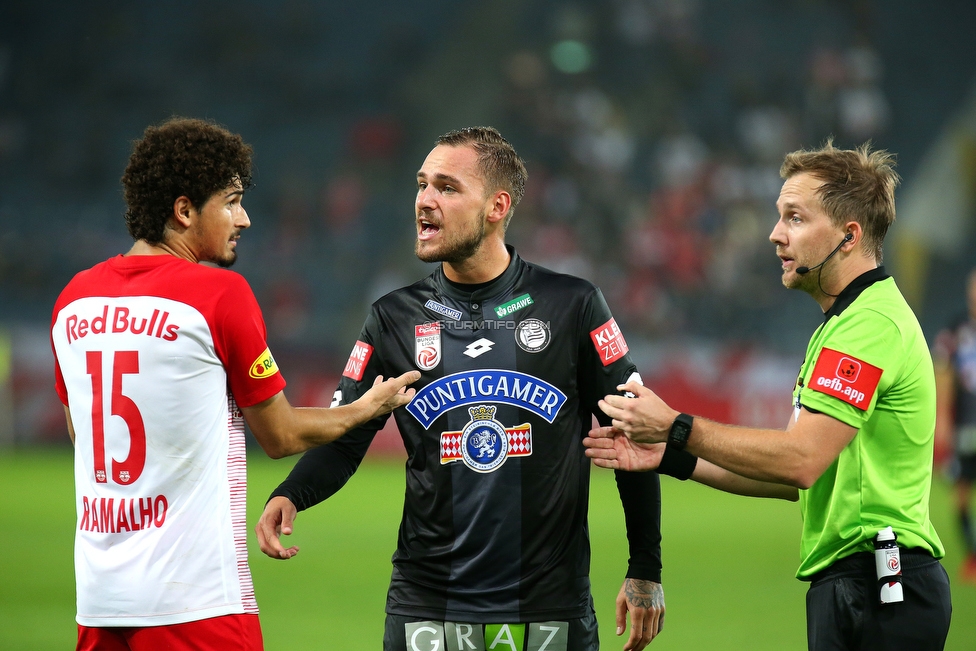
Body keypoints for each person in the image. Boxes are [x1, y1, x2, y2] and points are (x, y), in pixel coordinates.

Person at [256, 126, 666, 651]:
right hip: (426, 604)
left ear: (497, 206)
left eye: (447, 187)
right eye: (422, 184)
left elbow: (633, 436)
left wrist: (645, 570)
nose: (425, 200)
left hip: (548, 605)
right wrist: (293, 491)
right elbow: (348, 434)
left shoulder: (573, 305)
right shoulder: (392, 318)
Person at [50, 117, 419, 651]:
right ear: (183, 211)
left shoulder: (74, 299)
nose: (244, 218)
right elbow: (281, 435)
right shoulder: (217, 294)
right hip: (196, 601)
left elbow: (81, 433)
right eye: (231, 201)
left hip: (100, 599)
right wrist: (367, 406)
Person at [583, 141, 952, 650]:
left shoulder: (870, 325)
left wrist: (677, 425)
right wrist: (671, 456)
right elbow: (793, 480)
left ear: (849, 236)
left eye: (795, 218)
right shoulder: (846, 322)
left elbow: (799, 461)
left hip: (879, 584)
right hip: (864, 583)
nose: (776, 234)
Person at [933, 267, 976, 583]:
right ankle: (973, 557)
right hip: (965, 424)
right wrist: (943, 419)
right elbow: (944, 375)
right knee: (960, 493)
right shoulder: (956, 328)